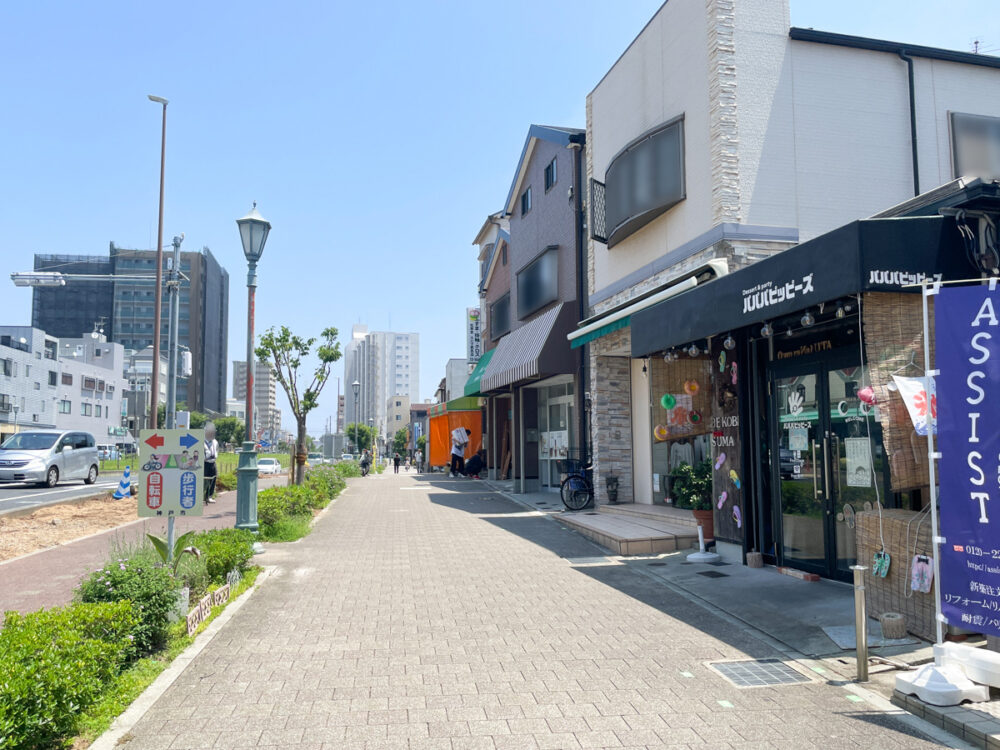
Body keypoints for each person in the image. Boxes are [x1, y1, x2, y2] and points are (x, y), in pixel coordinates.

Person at [203, 423, 218, 504]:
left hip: (213, 462)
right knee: (204, 479)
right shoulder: (201, 440)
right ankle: (202, 495)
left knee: (214, 477)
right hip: (204, 462)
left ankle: (209, 496)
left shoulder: (215, 441)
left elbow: (217, 450)